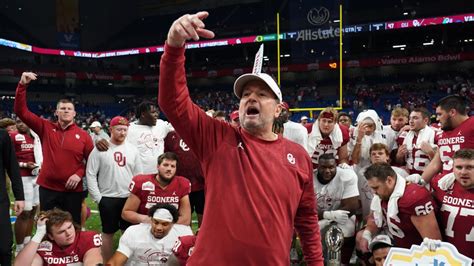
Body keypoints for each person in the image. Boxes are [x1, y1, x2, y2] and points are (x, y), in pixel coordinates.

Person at [159, 11, 323, 265]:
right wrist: (174, 45)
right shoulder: (218, 138)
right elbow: (173, 102)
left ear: (279, 109)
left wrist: (316, 262)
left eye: (262, 94)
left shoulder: (298, 156)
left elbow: (307, 219)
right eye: (246, 94)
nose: (251, 98)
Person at [14, 72, 94, 224]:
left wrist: (79, 173)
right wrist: (22, 85)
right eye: (62, 108)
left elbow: (92, 161)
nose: (66, 110)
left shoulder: (84, 135)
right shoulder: (45, 127)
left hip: (73, 191)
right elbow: (21, 111)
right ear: (56, 112)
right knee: (46, 226)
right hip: (48, 188)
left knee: (72, 226)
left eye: (69, 108)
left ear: (74, 113)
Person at [86, 116, 143, 262]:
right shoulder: (100, 149)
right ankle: (107, 262)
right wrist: (98, 198)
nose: (122, 133)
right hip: (108, 197)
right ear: (110, 129)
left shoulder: (133, 150)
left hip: (128, 198)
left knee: (128, 232)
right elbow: (90, 174)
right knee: (108, 232)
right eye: (119, 129)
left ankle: (128, 262)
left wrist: (136, 197)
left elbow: (139, 176)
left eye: (125, 130)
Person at [356, 163, 441, 256]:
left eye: (376, 187)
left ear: (389, 180)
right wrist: (367, 234)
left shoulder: (414, 198)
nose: (373, 192)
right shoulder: (385, 193)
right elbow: (375, 216)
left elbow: (434, 243)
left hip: (416, 254)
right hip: (397, 246)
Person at [97, 101, 173, 175]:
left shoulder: (161, 125)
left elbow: (179, 127)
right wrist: (98, 140)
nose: (156, 115)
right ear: (143, 114)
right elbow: (112, 142)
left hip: (159, 175)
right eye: (153, 112)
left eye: (157, 112)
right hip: (138, 175)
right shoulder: (129, 129)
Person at [107, 203, 193, 265]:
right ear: (151, 220)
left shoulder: (184, 235)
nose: (159, 228)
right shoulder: (134, 232)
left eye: (164, 224)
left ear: (173, 223)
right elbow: (115, 262)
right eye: (156, 222)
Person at [14, 208, 102, 266]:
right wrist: (39, 234)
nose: (68, 233)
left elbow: (93, 261)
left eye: (69, 227)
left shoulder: (87, 238)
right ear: (51, 236)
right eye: (61, 232)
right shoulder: (45, 246)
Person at [122, 152, 191, 225]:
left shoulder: (182, 184)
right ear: (158, 166)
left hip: (172, 227)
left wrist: (164, 224)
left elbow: (186, 219)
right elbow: (126, 213)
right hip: (146, 225)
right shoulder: (141, 182)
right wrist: (150, 220)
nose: (169, 169)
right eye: (165, 165)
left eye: (172, 166)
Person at [418, 95, 474, 185]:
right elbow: (435, 165)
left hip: (467, 188)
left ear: (452, 112)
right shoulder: (444, 132)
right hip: (446, 188)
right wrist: (419, 184)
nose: (437, 118)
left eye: (440, 114)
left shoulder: (472, 125)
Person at [314, 154, 359, 264]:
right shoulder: (309, 179)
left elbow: (352, 206)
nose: (327, 171)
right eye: (323, 167)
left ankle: (343, 261)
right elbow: (305, 209)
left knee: (346, 230)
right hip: (318, 217)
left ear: (336, 166)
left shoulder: (347, 175)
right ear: (317, 167)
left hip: (341, 216)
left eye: (331, 167)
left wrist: (329, 219)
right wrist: (327, 216)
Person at [430, 149, 474, 258]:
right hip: (446, 258)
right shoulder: (442, 184)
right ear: (452, 168)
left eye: (470, 167)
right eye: (459, 167)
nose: (463, 172)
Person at [9, 119, 43, 255]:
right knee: (24, 213)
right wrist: (24, 165)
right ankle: (18, 249)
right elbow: (8, 159)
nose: (20, 124)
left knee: (33, 211)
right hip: (22, 178)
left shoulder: (36, 136)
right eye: (17, 122)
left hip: (36, 176)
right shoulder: (12, 136)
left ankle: (27, 244)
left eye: (23, 121)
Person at [164, 131, 205, 227]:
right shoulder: (171, 136)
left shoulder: (202, 133)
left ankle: (202, 240)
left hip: (202, 184)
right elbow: (167, 157)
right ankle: (187, 240)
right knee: (184, 218)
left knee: (203, 216)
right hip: (181, 185)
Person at [0, 128, 24, 265]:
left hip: (0, 199)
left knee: (4, 246)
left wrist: (19, 195)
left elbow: (12, 166)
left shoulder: (2, 135)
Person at [395, 107, 436, 174]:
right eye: (410, 118)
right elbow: (399, 162)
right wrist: (399, 156)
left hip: (428, 176)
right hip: (408, 175)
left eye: (415, 118)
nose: (411, 121)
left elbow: (442, 163)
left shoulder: (435, 134)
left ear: (425, 120)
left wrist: (430, 153)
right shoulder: (404, 135)